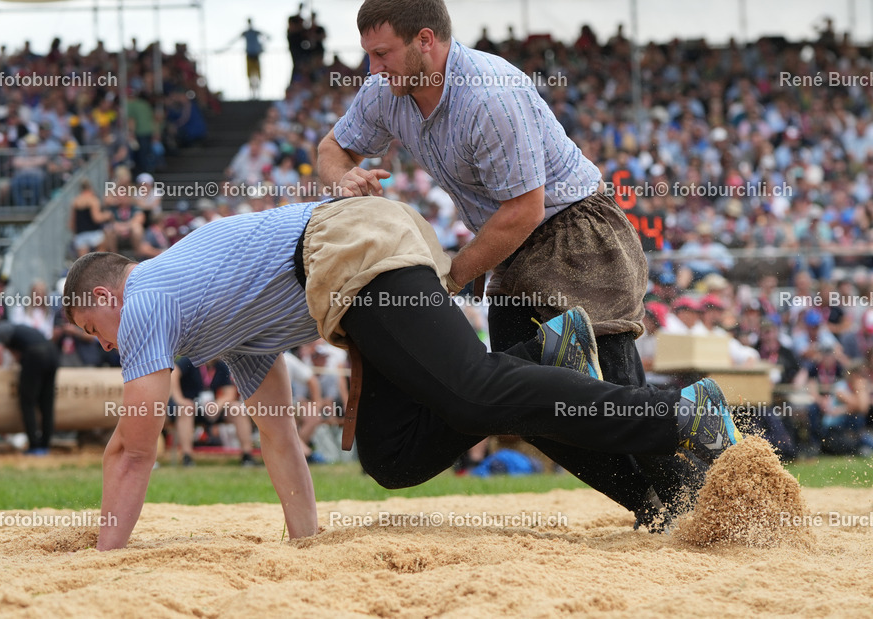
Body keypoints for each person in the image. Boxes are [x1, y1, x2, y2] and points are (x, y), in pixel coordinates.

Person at [62, 196, 741, 550]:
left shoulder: (146, 293)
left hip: (355, 248)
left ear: (103, 297)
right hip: (352, 270)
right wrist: (307, 546)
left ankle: (685, 413)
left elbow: (133, 448)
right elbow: (280, 440)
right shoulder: (226, 328)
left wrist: (102, 553)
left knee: (471, 388)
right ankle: (541, 358)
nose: (105, 347)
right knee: (391, 454)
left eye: (96, 333)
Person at [315, 0, 700, 526]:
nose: (373, 70)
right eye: (369, 56)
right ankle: (659, 512)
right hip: (512, 245)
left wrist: (451, 276)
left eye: (382, 54)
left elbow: (524, 209)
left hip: (575, 233)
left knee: (616, 399)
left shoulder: (491, 94)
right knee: (522, 407)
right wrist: (344, 178)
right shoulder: (387, 92)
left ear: (426, 40)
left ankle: (709, 502)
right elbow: (333, 148)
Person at [0, 320, 59, 455]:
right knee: (47, 402)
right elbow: (18, 355)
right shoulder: (18, 329)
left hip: (36, 355)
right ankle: (45, 445)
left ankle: (34, 445)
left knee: (27, 402)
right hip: (52, 353)